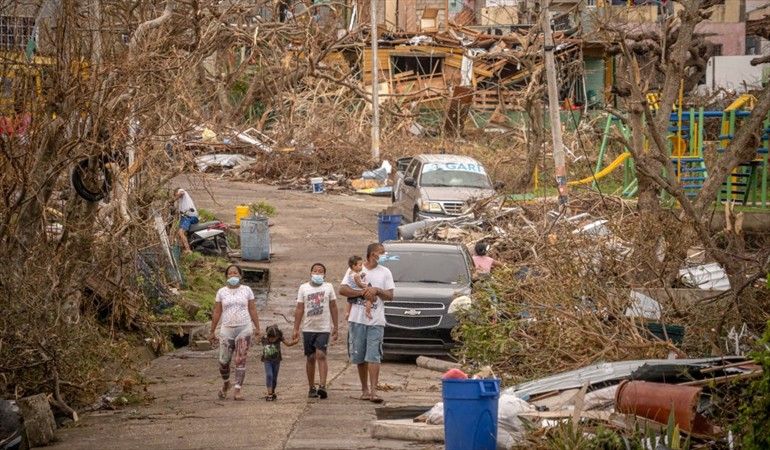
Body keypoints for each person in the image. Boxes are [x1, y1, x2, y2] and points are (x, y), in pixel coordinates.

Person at [339, 243, 395, 403]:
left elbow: (390, 295)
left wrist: (377, 290)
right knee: (360, 356)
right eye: (381, 252)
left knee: (374, 356)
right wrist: (362, 293)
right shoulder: (356, 269)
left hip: (376, 320)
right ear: (371, 254)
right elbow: (342, 289)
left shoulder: (385, 272)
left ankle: (374, 392)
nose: (384, 255)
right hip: (357, 319)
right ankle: (364, 389)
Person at [208, 265, 261, 401]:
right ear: (226, 276)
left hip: (244, 327)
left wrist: (257, 328)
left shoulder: (247, 290)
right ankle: (227, 383)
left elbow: (253, 309)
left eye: (235, 273)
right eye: (230, 273)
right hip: (227, 328)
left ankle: (238, 389)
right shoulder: (221, 292)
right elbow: (217, 311)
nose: (233, 276)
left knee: (240, 359)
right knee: (223, 361)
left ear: (240, 275)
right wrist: (212, 330)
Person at [293, 263, 339, 399]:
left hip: (323, 328)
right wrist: (296, 327)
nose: (317, 273)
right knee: (311, 357)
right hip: (308, 328)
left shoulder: (328, 287)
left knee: (321, 355)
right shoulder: (304, 288)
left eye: (320, 272)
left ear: (324, 274)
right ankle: (311, 387)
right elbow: (300, 308)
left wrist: (335, 326)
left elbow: (333, 306)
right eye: (315, 271)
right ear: (311, 273)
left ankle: (323, 386)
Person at [261, 324, 297, 401]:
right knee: (269, 375)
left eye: (274, 338)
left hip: (276, 361)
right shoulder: (264, 339)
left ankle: (273, 391)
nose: (272, 340)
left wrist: (295, 342)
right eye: (271, 339)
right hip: (267, 361)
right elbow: (257, 339)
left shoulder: (279, 338)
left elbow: (288, 344)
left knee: (274, 378)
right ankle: (269, 394)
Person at [344, 256, 372, 321]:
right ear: (354, 266)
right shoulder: (356, 275)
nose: (362, 266)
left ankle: (347, 312)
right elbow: (359, 284)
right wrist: (365, 287)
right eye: (360, 265)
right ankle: (367, 312)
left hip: (351, 290)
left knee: (349, 301)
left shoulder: (350, 273)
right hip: (358, 290)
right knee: (369, 299)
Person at [174, 188, 199, 254]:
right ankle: (183, 249)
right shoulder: (181, 202)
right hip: (186, 217)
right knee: (179, 232)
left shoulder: (181, 191)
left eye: (175, 195)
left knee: (181, 232)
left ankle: (188, 250)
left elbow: (182, 192)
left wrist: (173, 199)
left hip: (189, 216)